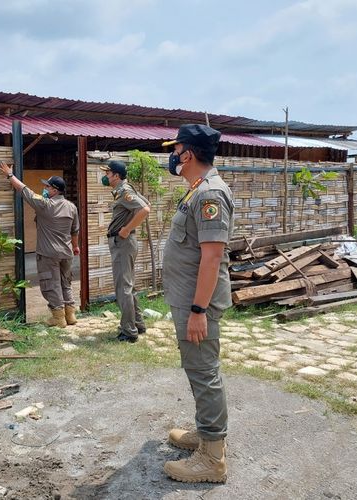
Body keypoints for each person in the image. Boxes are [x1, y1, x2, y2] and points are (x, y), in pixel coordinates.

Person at [161, 124, 233, 483]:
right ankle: (205, 435)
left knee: (204, 373)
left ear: (187, 154)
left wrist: (198, 311)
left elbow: (212, 258)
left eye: (175, 149)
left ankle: (213, 458)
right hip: (187, 298)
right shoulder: (196, 191)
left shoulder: (210, 195)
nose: (172, 156)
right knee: (197, 370)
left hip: (197, 303)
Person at [0, 162, 80, 327]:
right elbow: (75, 231)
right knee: (65, 282)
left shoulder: (45, 204)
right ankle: (70, 315)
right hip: (67, 252)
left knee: (52, 284)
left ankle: (58, 318)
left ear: (55, 190)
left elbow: (24, 191)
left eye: (48, 187)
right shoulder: (71, 207)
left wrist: (9, 175)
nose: (45, 189)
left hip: (49, 253)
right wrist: (76, 247)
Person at [98, 160, 150, 342]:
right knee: (129, 286)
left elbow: (144, 209)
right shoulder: (126, 190)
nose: (105, 176)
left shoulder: (124, 191)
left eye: (108, 173)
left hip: (123, 242)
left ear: (116, 176)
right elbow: (146, 202)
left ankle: (128, 330)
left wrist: (127, 229)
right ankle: (138, 323)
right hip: (125, 243)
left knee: (123, 288)